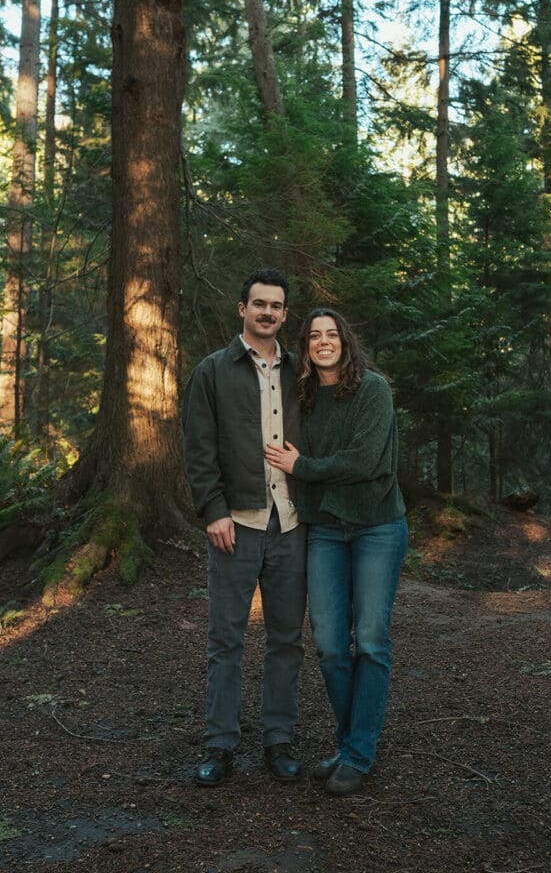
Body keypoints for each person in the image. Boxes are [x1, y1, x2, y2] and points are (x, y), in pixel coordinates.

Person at [265, 308, 407, 796]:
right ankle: (352, 744)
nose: (324, 342)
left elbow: (366, 462)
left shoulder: (374, 389)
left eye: (332, 335)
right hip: (325, 529)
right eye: (314, 337)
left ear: (345, 341)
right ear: (305, 346)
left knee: (369, 639)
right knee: (328, 645)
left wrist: (303, 468)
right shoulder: (302, 396)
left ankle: (358, 752)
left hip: (376, 527)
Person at [182, 270, 307, 787]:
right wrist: (212, 509)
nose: (267, 313)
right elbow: (199, 446)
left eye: (276, 306)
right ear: (241, 309)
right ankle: (220, 744)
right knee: (225, 639)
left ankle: (278, 741)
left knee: (286, 639)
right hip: (237, 522)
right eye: (259, 304)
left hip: (292, 523)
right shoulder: (213, 371)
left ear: (283, 314)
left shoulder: (301, 372)